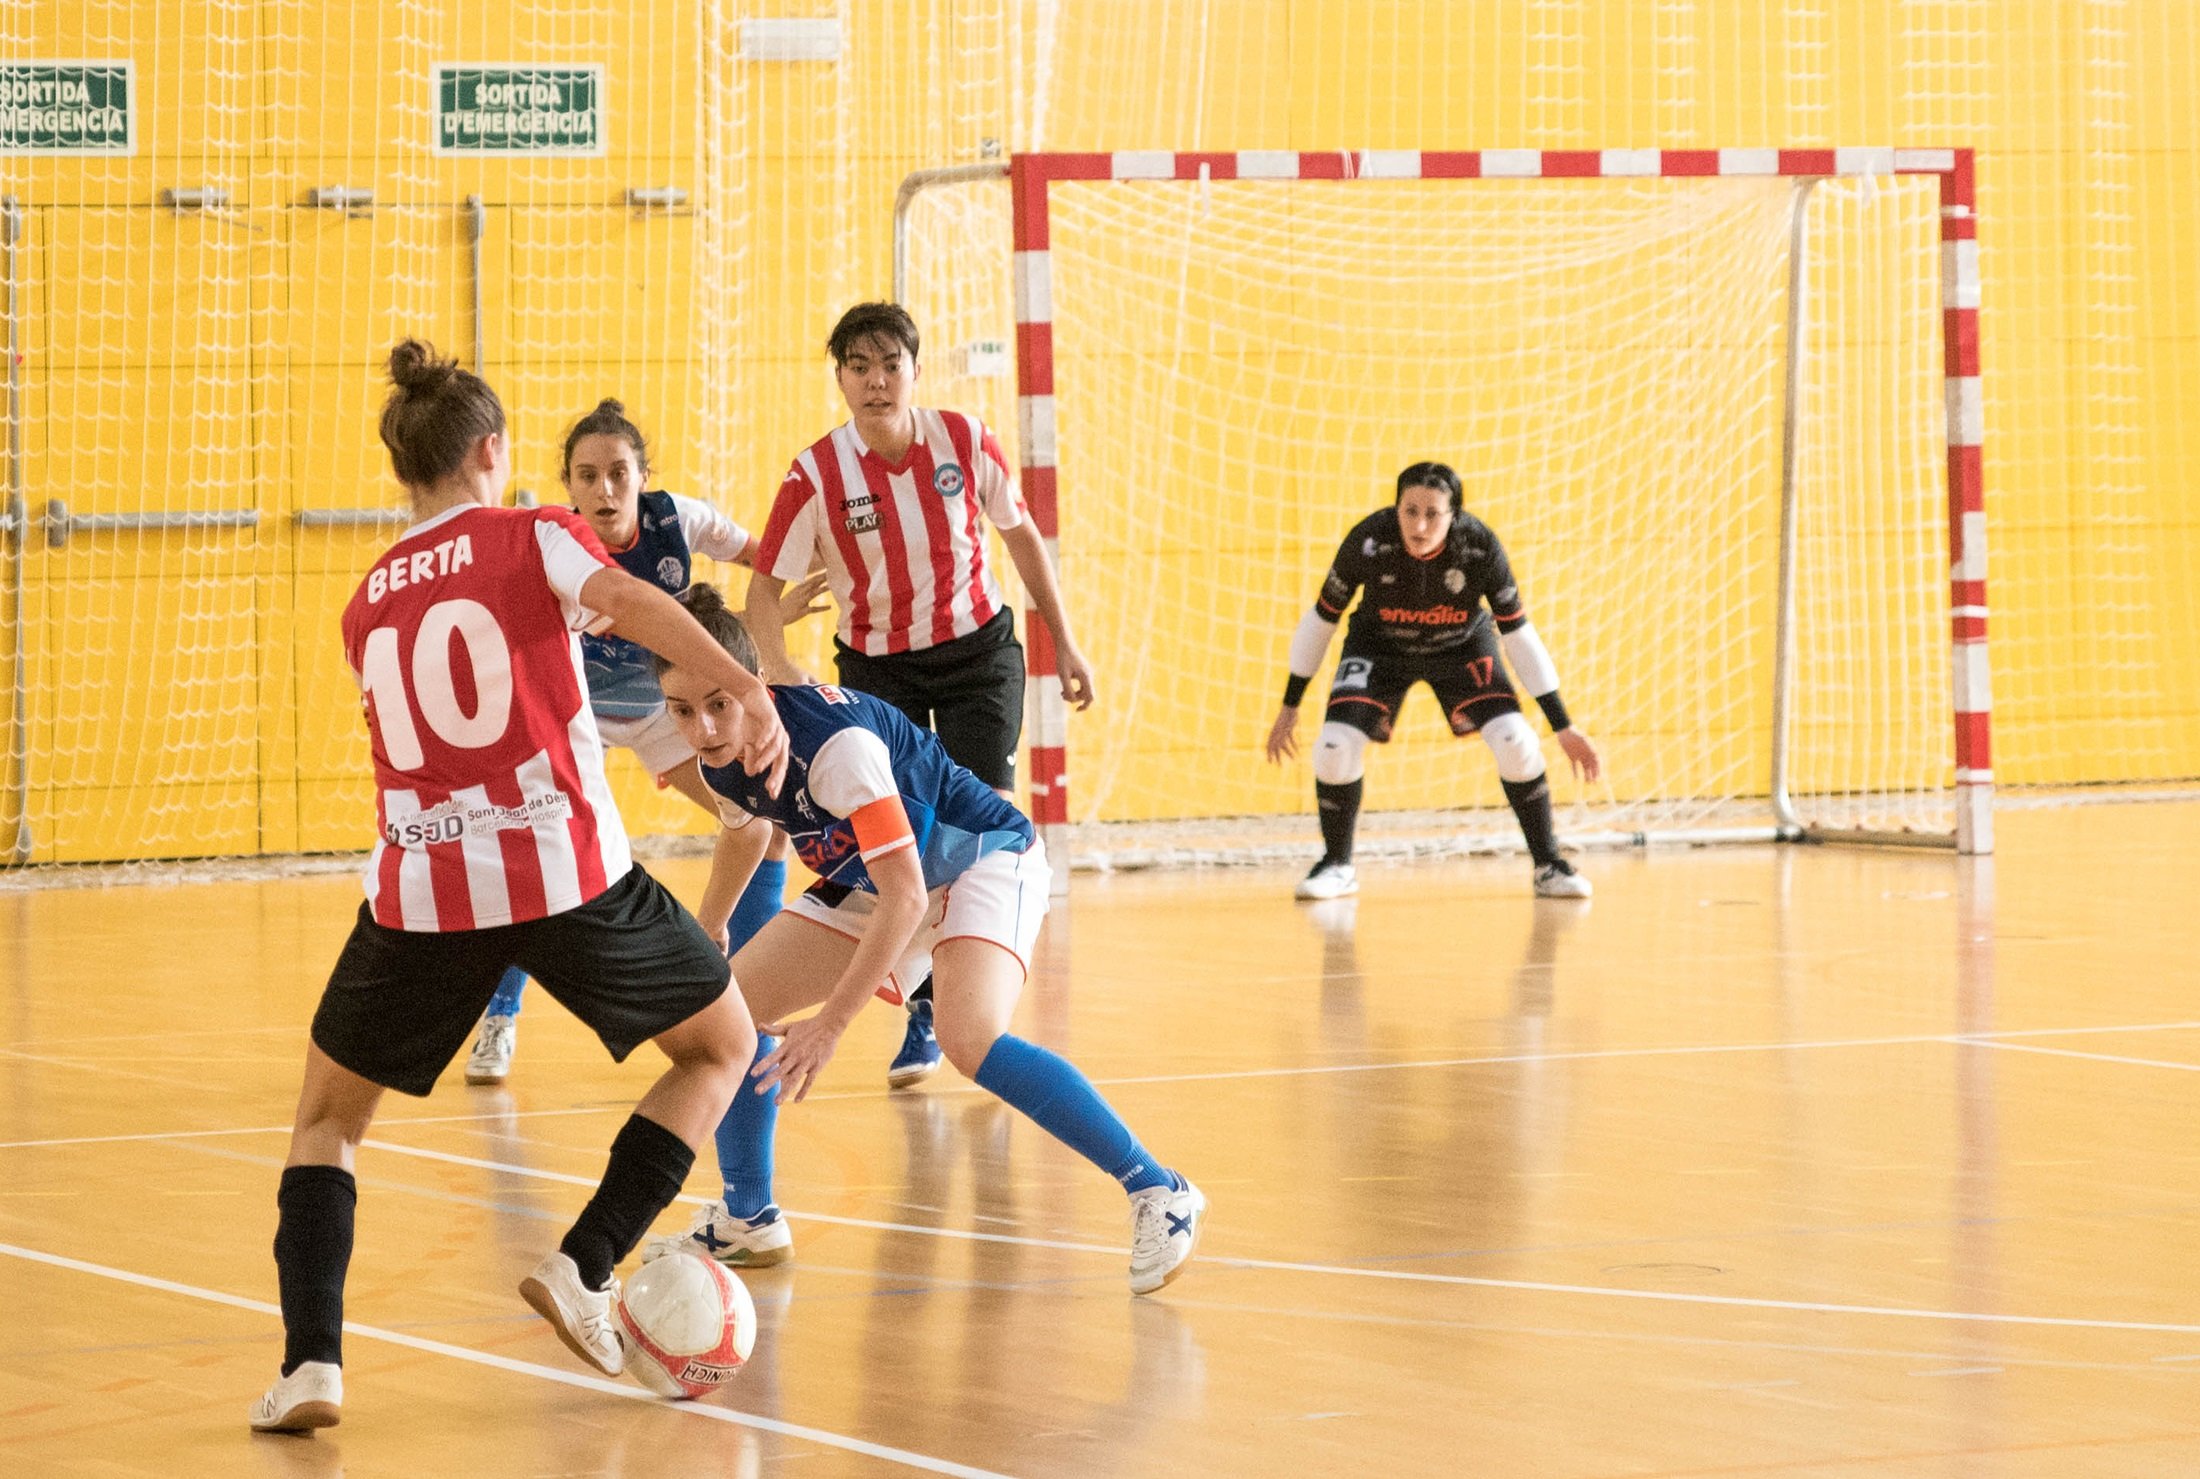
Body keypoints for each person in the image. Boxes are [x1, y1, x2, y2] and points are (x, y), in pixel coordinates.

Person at [249, 341, 787, 1433]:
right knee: (723, 1046)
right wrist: (743, 684)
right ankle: (585, 1262)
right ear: (493, 452)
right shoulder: (536, 530)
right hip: (564, 869)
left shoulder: (364, 603)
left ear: (405, 469)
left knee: (326, 1125)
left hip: (424, 889)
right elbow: (626, 602)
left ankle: (311, 1365)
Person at [644, 585, 1203, 1296]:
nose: (704, 727)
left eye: (719, 703)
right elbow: (746, 828)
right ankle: (749, 1215)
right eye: (681, 711)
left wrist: (830, 1025)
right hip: (878, 877)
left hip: (978, 856)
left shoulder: (834, 748)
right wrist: (712, 922)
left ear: (752, 682)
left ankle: (1159, 1188)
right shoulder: (721, 757)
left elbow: (908, 893)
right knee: (730, 1011)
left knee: (968, 1035)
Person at [742, 301, 1096, 1090]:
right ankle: (925, 1003)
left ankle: (958, 995)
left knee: (981, 816)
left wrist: (1063, 641)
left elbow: (1021, 536)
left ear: (914, 370)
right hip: (878, 672)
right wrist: (778, 674)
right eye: (858, 367)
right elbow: (762, 590)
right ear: (838, 378)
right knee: (904, 841)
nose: (876, 381)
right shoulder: (815, 474)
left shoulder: (964, 441)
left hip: (977, 653)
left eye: (889, 365)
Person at [461, 399, 827, 1086]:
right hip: (579, 714)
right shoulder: (548, 537)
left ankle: (746, 992)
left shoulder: (679, 520)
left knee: (762, 820)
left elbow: (763, 559)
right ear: (568, 484)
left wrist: (770, 614)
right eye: (588, 475)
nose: (605, 489)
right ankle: (500, 1016)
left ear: (643, 475)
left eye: (619, 473)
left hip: (667, 708)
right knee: (537, 856)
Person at [1264, 461, 1601, 900]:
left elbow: (1518, 634)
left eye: (1433, 514)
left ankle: (1549, 865)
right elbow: (1321, 621)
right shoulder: (1368, 541)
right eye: (1410, 511)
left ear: (1453, 516)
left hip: (1460, 647)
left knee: (1518, 742)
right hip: (1379, 647)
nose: (1419, 525)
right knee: (1332, 746)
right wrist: (1291, 706)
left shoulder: (1479, 547)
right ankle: (1336, 865)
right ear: (1396, 508)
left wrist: (1563, 725)